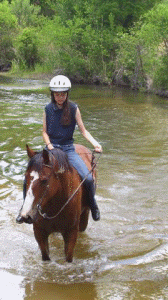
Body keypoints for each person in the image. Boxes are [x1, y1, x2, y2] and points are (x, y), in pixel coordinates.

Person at [42, 75, 102, 221]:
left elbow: (83, 130)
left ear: (67, 94)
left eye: (63, 94)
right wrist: (49, 146)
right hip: (51, 148)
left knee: (88, 179)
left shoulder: (74, 108)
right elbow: (44, 131)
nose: (60, 97)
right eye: (57, 94)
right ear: (53, 94)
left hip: (68, 149)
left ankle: (93, 206)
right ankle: (27, 211)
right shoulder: (48, 109)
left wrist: (95, 143)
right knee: (31, 177)